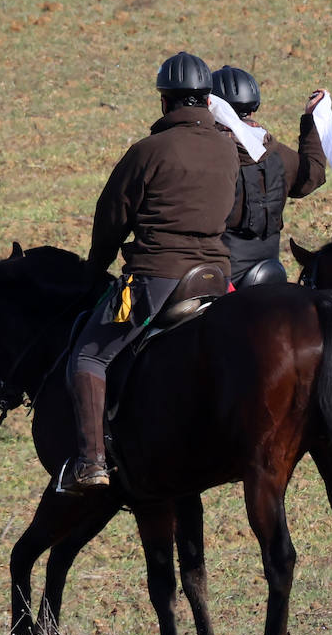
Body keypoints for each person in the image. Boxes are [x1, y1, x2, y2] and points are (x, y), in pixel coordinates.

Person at [56, 51, 239, 493]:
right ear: (205, 100)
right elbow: (230, 212)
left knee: (89, 356)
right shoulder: (228, 147)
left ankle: (92, 463)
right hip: (215, 275)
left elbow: (111, 214)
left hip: (158, 278)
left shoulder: (148, 151)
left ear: (165, 102)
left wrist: (95, 267)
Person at [210, 65, 328, 286]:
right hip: (270, 271)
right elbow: (313, 174)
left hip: (221, 279)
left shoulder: (208, 156)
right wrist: (311, 120)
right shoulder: (277, 153)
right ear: (253, 108)